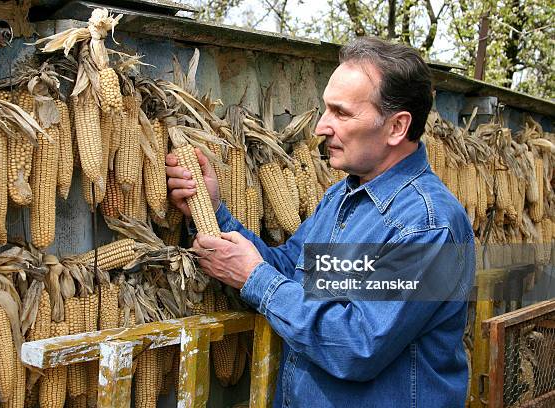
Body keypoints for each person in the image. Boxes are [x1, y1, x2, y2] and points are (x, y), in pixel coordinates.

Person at [166, 37, 475, 408]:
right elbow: (289, 271)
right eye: (326, 110)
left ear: (396, 127)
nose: (321, 127)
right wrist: (213, 211)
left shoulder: (427, 226)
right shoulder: (342, 198)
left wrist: (253, 278)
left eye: (341, 113)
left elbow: (358, 345)